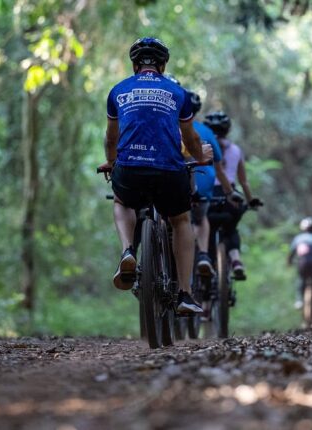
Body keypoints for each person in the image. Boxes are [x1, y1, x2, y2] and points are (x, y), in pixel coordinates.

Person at [101, 37, 212, 314]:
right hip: (169, 171)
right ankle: (185, 294)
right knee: (181, 220)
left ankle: (128, 251)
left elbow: (111, 138)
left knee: (122, 201)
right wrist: (200, 158)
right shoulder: (177, 93)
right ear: (162, 65)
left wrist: (112, 163)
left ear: (135, 64)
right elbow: (190, 136)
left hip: (130, 169)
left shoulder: (118, 91)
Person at [204, 111, 261, 280]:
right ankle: (235, 260)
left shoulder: (202, 148)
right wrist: (251, 201)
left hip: (207, 195)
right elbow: (244, 182)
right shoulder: (236, 150)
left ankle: (205, 264)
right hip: (231, 197)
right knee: (231, 230)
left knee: (203, 229)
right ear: (227, 130)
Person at [186, 91, 230, 278]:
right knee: (200, 218)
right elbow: (219, 168)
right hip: (202, 188)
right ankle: (203, 254)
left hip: (175, 185)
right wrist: (229, 191)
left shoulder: (170, 127)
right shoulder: (206, 132)